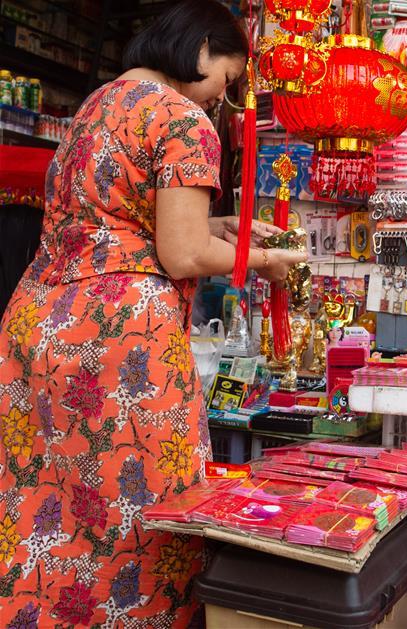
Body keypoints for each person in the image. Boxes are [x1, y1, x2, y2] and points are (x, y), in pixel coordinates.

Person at [0, 2, 306, 626]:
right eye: (227, 79)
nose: (225, 97)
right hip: (118, 344)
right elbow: (183, 250)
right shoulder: (183, 118)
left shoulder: (94, 107)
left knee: (44, 506)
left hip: (38, 329)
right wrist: (263, 263)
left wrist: (227, 229)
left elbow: (126, 217)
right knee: (143, 511)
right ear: (200, 53)